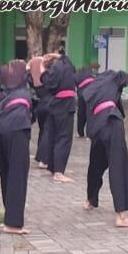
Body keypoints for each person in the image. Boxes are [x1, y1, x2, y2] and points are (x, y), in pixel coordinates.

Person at [81, 69, 128, 228]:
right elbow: (125, 79)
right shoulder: (114, 78)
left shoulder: (93, 86)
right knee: (118, 166)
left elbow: (86, 109)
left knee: (95, 164)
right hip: (112, 122)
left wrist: (90, 132)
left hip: (97, 125)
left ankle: (90, 200)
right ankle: (121, 216)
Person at [0, 60, 33, 234]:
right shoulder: (24, 88)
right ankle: (13, 223)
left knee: (7, 174)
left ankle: (9, 217)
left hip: (0, 127)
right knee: (17, 174)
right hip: (17, 128)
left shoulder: (5, 87)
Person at [41, 51, 77, 182]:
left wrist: (43, 69)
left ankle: (52, 167)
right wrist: (56, 56)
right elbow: (72, 65)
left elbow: (48, 85)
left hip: (55, 105)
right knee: (63, 138)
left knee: (53, 136)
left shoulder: (53, 70)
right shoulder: (65, 66)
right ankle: (58, 172)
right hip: (65, 105)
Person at [29, 56, 52, 168]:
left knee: (42, 131)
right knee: (47, 132)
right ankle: (43, 159)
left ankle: (39, 155)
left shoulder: (37, 82)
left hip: (41, 106)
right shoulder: (51, 78)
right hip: (50, 106)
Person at [76, 64, 98, 138]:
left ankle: (80, 132)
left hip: (82, 94)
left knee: (81, 114)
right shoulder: (92, 75)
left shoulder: (78, 74)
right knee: (90, 114)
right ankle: (90, 134)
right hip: (91, 93)